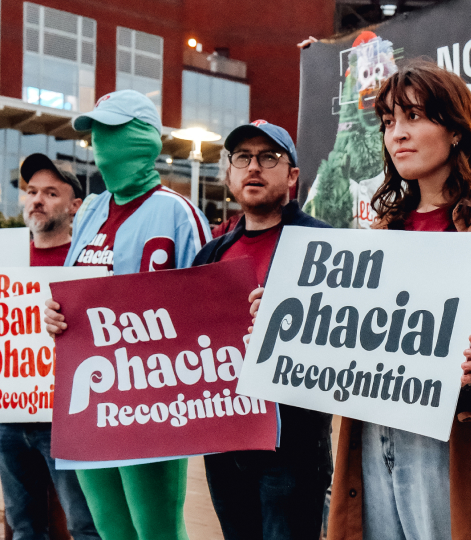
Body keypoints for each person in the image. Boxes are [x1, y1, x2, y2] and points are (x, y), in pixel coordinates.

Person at [255, 61, 471, 540]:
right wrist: (284, 320)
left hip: (453, 445)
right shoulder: (380, 233)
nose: (397, 134)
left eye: (414, 117)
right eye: (388, 122)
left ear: (455, 129)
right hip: (372, 435)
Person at [43, 89, 212, 540]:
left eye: (112, 130)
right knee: (109, 528)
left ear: (143, 138)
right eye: (95, 131)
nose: (100, 142)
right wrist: (54, 315)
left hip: (150, 399)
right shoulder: (91, 212)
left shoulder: (178, 214)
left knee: (155, 531)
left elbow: (208, 311)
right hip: (88, 396)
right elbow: (71, 291)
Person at [191, 120, 333, 540]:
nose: (254, 167)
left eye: (269, 157)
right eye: (243, 157)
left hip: (291, 445)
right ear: (231, 173)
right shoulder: (209, 255)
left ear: (292, 176)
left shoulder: (325, 246)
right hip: (225, 441)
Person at [0, 155, 99, 540]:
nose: (37, 200)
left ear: (74, 205)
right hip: (10, 417)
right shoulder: (7, 260)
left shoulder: (87, 262)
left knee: (84, 525)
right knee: (24, 526)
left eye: (51, 193)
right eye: (31, 192)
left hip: (69, 416)